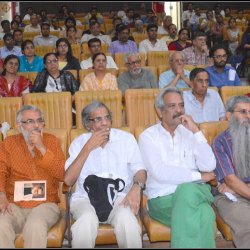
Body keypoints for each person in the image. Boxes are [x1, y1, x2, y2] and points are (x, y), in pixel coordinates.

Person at [138, 87, 216, 248]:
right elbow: (159, 172)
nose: (179, 110)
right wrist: (199, 177)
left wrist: (196, 130)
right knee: (206, 214)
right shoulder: (148, 136)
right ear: (160, 111)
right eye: (172, 106)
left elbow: (209, 165)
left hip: (194, 193)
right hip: (162, 199)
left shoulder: (189, 133)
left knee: (187, 192)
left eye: (181, 105)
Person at [64, 100, 146, 248]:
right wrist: (88, 147)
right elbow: (68, 180)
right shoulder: (79, 143)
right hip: (85, 199)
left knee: (127, 220)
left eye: (107, 117)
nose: (105, 123)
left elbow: (140, 170)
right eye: (98, 119)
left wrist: (137, 187)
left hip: (120, 198)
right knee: (85, 221)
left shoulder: (125, 139)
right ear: (88, 124)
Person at [0, 105, 65, 248]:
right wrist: (1, 194)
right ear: (19, 126)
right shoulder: (8, 144)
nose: (36, 125)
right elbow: (1, 171)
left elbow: (62, 174)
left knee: (35, 225)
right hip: (15, 205)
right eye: (30, 121)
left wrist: (42, 148)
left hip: (45, 204)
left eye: (39, 121)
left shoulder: (52, 141)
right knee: (1, 225)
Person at [212, 95, 250, 248]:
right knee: (247, 220)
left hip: (240, 190)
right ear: (229, 116)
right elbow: (230, 180)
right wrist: (237, 187)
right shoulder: (219, 142)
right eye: (243, 112)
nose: (248, 116)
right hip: (229, 197)